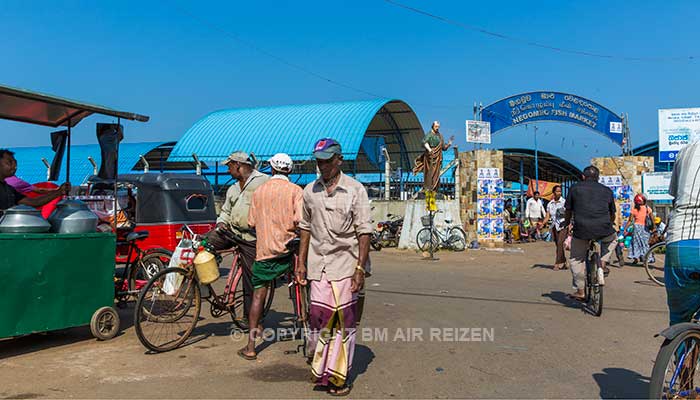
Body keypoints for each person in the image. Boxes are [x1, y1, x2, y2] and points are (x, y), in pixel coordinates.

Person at [297, 138, 372, 396]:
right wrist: (301, 263)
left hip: (346, 265)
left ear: (339, 160)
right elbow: (304, 228)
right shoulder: (309, 191)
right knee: (318, 318)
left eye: (328, 161)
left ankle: (340, 377)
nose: (323, 166)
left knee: (343, 322)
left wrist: (360, 269)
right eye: (319, 161)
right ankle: (321, 369)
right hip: (319, 265)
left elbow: (364, 232)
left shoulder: (355, 190)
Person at [238, 153, 303, 361]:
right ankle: (308, 334)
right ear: (290, 171)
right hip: (289, 251)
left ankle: (250, 346)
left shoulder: (259, 191)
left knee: (258, 296)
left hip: (265, 252)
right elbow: (301, 222)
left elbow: (251, 223)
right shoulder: (296, 191)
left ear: (272, 169)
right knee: (302, 285)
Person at [204, 151, 268, 325]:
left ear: (239, 165)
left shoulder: (263, 181)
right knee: (203, 243)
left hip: (250, 237)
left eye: (229, 166)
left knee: (251, 279)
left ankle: (252, 318)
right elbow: (225, 211)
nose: (228, 170)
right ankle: (200, 286)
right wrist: (220, 223)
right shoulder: (233, 188)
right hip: (231, 231)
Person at [564, 166, 617, 301]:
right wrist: (609, 224)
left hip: (581, 230)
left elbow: (568, 210)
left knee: (576, 259)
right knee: (612, 240)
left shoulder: (575, 188)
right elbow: (612, 214)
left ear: (583, 176)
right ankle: (603, 262)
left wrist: (567, 224)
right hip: (604, 229)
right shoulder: (607, 190)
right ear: (598, 177)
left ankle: (580, 291)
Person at [663, 140, 700, 325]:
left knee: (679, 318)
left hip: (679, 242)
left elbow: (675, 196)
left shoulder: (685, 150)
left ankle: (680, 348)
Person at [0, 149, 70, 213]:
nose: (14, 166)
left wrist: (59, 192)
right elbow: (39, 191)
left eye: (15, 163)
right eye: (9, 163)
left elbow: (35, 202)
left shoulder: (9, 189)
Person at [412, 121, 454, 193]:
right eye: (436, 126)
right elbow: (424, 142)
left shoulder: (440, 136)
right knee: (429, 173)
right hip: (430, 157)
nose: (437, 128)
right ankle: (428, 188)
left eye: (438, 127)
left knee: (436, 174)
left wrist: (449, 144)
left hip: (437, 157)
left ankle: (434, 189)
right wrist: (429, 149)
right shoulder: (429, 135)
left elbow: (443, 147)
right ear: (433, 126)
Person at [543, 185, 568, 270]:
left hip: (563, 225)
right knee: (558, 245)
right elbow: (547, 216)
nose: (559, 193)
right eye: (557, 191)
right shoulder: (550, 204)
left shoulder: (564, 202)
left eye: (560, 191)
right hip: (554, 226)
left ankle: (557, 263)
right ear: (553, 193)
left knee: (560, 243)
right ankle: (564, 261)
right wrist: (542, 224)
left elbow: (568, 213)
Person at [627, 194, 655, 264]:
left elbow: (630, 221)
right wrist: (654, 227)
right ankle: (646, 259)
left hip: (636, 228)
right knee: (645, 244)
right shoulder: (647, 208)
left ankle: (636, 258)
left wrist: (625, 229)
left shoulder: (634, 209)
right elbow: (652, 219)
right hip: (645, 228)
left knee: (636, 243)